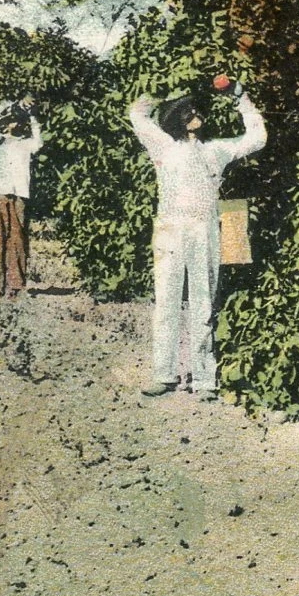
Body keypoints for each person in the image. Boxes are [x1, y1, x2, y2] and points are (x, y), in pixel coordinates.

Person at [128, 84, 266, 401]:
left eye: (199, 110)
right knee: (166, 301)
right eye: (189, 111)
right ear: (177, 118)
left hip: (204, 229)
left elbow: (257, 139)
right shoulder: (162, 146)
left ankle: (204, 379)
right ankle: (164, 374)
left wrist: (240, 96)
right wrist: (161, 89)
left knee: (204, 300)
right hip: (170, 228)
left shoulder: (215, 149)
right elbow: (137, 114)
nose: (196, 115)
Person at [0, 95, 43, 299]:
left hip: (19, 196)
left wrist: (33, 117)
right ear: (5, 124)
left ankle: (16, 286)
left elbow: (39, 142)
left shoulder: (26, 144)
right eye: (10, 120)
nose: (13, 124)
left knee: (17, 239)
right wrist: (5, 105)